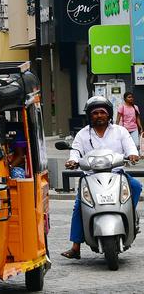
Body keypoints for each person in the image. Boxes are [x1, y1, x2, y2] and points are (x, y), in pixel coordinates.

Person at [61, 96, 142, 259]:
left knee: (136, 186)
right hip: (91, 176)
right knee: (79, 205)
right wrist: (72, 160)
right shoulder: (83, 134)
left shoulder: (120, 131)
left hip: (116, 174)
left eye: (102, 112)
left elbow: (130, 147)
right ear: (90, 115)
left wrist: (133, 154)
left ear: (108, 114)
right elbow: (75, 151)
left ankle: (130, 217)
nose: (99, 115)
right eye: (95, 113)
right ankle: (76, 247)